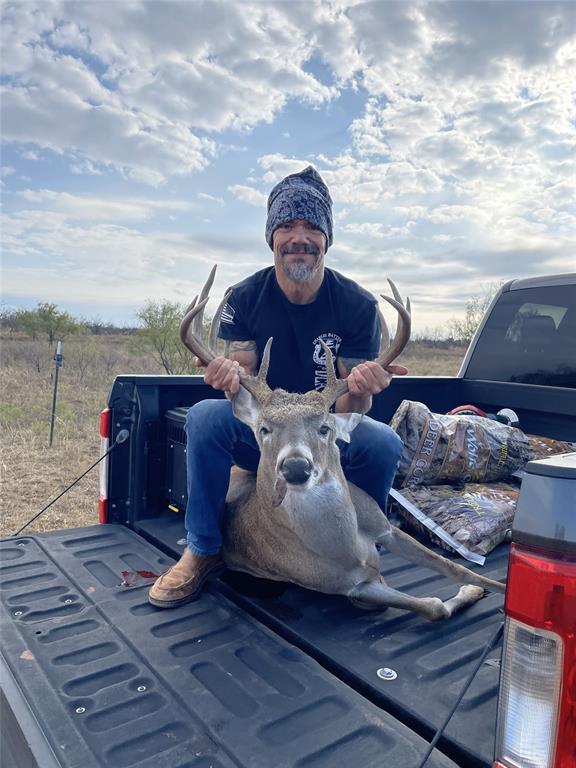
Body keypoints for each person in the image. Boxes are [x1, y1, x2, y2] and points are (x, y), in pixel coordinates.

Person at [148, 166, 407, 608]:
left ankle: (361, 550)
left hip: (321, 439)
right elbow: (242, 383)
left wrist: (363, 389)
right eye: (287, 225)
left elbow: (350, 405)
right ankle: (202, 549)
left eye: (312, 226)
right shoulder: (244, 298)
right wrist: (228, 378)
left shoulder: (357, 305)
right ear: (272, 237)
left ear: (327, 238)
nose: (299, 237)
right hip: (266, 438)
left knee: (382, 442)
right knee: (205, 418)